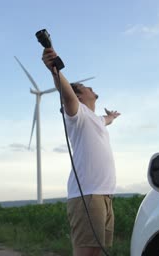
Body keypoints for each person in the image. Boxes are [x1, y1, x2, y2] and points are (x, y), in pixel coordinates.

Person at [42, 47, 120, 256]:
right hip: (88, 194)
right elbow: (66, 95)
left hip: (104, 195)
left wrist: (111, 116)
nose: (90, 87)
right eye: (85, 86)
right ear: (78, 95)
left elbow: (106, 121)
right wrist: (54, 71)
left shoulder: (96, 120)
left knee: (101, 251)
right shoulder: (78, 114)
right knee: (87, 252)